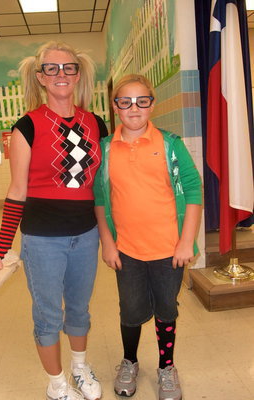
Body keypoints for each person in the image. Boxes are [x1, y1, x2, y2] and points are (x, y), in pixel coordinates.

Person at [0, 40, 108, 400]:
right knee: (47, 315)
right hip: (42, 239)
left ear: (78, 73)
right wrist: (2, 244)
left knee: (79, 309)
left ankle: (79, 367)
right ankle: (56, 384)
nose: (61, 75)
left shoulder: (96, 123)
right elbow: (17, 189)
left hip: (86, 235)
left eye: (68, 68)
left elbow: (104, 187)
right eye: (52, 69)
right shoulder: (26, 126)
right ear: (40, 77)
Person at [93, 74, 202, 400]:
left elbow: (194, 190)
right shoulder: (106, 149)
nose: (134, 108)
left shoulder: (170, 144)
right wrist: (108, 243)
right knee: (131, 309)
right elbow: (100, 198)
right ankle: (129, 362)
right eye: (125, 102)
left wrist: (186, 241)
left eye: (142, 101)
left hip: (169, 250)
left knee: (166, 309)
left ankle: (166, 367)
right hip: (127, 250)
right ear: (115, 107)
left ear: (151, 104)